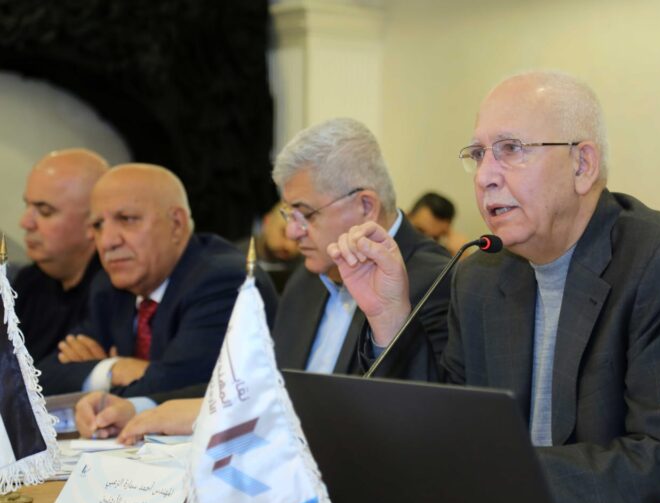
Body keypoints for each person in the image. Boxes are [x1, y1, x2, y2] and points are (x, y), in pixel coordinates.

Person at [327, 71, 660, 503]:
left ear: (582, 165)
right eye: (478, 154)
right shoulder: (481, 276)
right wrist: (389, 315)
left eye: (511, 149)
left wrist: (498, 474)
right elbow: (446, 428)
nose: (484, 176)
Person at [75, 118, 452, 442]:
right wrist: (142, 407)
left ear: (365, 206)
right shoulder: (308, 279)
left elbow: (416, 423)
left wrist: (205, 418)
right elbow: (263, 389)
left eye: (305, 214)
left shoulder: (434, 282)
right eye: (289, 215)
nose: (291, 233)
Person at [37, 163, 278, 397]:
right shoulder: (109, 287)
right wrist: (112, 369)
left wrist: (99, 378)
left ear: (176, 224)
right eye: (98, 225)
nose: (107, 241)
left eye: (127, 219)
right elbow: (40, 380)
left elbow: (179, 388)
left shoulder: (223, 280)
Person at [14, 148, 108, 363]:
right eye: (28, 205)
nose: (25, 222)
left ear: (93, 222)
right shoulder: (29, 280)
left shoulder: (112, 294)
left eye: (45, 211)